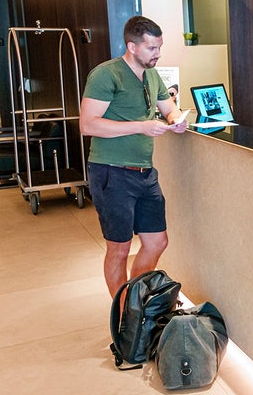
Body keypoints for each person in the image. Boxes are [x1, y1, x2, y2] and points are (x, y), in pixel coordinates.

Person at [80, 16, 188, 298]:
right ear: (132, 46)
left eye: (159, 47)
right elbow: (88, 124)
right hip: (111, 173)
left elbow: (168, 107)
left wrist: (177, 118)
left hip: (145, 173)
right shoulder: (106, 75)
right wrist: (141, 126)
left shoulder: (152, 75)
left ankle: (135, 300)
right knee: (119, 248)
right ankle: (122, 315)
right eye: (152, 48)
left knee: (157, 242)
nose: (158, 54)